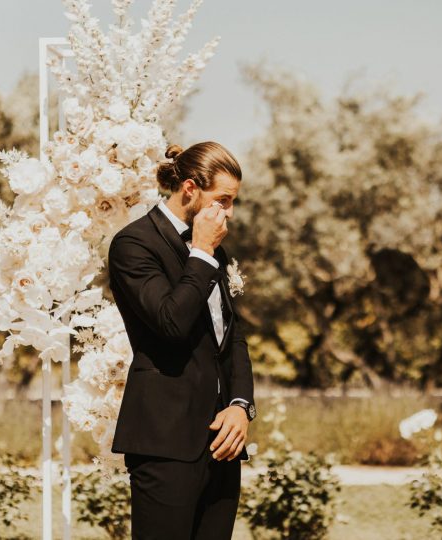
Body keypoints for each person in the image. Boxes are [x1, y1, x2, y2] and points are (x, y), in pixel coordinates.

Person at [108, 141, 256, 540]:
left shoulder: (214, 253)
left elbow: (231, 337)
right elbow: (171, 322)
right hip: (165, 442)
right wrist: (204, 250)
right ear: (190, 188)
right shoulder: (134, 244)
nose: (229, 213)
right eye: (222, 200)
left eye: (233, 202)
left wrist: (241, 406)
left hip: (221, 439)